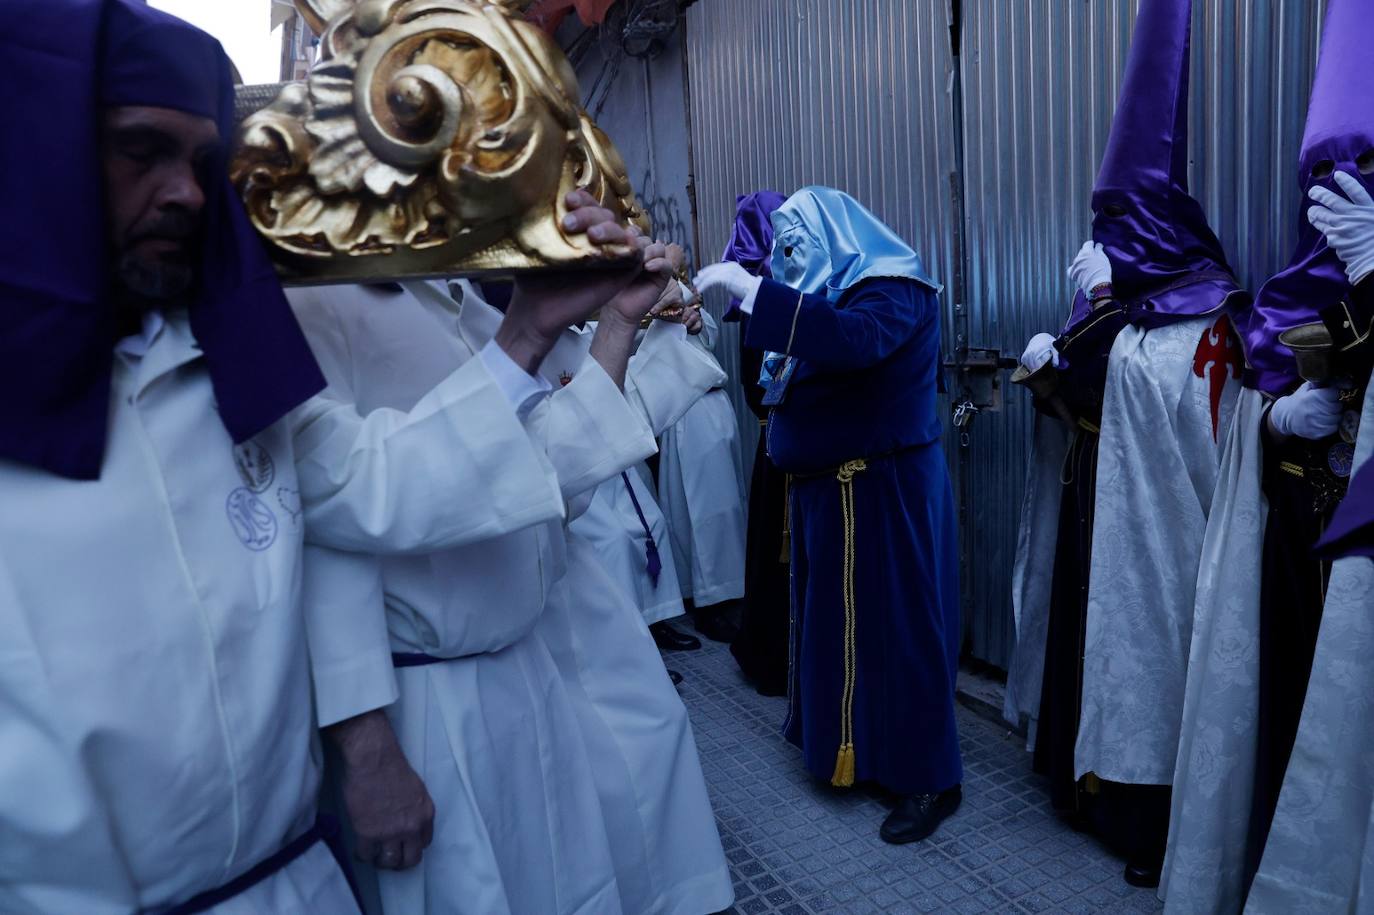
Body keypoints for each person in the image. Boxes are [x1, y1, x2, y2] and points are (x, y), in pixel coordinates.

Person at [0, 2, 653, 911]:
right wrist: (369, 743)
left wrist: (538, 324)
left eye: (201, 160)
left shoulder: (225, 366)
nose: (188, 193)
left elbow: (385, 485)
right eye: (139, 150)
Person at [295, 276, 735, 915]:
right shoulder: (309, 298)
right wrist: (364, 746)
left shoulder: (458, 301)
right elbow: (322, 527)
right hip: (430, 703)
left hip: (530, 669)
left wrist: (615, 325)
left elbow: (543, 474)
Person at [1008, 0, 1251, 886]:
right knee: (1109, 656)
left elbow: (1187, 417)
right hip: (1108, 522)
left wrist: (1088, 334)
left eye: (1118, 224)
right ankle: (1101, 792)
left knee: (1171, 667)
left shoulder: (1204, 320)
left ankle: (1163, 828)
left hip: (1181, 540)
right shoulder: (1146, 321)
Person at [1160, 0, 1374, 907]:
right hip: (1296, 552)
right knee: (1284, 719)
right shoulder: (1288, 295)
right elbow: (1254, 405)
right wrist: (1279, 423)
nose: (1338, 193)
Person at [696, 187, 963, 844]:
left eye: (796, 247)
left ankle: (930, 777)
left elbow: (856, 342)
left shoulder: (894, 288)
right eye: (779, 250)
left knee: (902, 635)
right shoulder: (833, 291)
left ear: (838, 235)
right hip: (836, 498)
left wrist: (755, 293)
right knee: (847, 634)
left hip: (883, 494)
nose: (785, 262)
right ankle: (864, 750)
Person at [721, 191, 794, 697]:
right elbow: (761, 385)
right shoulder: (764, 294)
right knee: (779, 552)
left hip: (781, 439)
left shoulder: (767, 291)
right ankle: (774, 657)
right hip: (782, 439)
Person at [656, 290, 749, 643]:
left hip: (711, 406)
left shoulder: (681, 295)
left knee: (722, 506)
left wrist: (687, 314)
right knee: (693, 509)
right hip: (682, 410)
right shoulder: (632, 304)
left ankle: (722, 594)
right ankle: (709, 599)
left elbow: (706, 331)